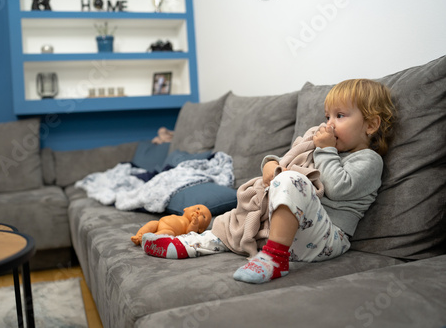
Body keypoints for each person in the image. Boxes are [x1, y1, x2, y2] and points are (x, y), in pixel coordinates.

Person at [141, 79, 396, 284]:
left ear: (371, 125)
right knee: (235, 222)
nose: (328, 124)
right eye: (327, 116)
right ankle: (188, 245)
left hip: (327, 239)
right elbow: (290, 161)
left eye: (340, 116)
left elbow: (338, 188)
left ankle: (275, 259)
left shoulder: (369, 160)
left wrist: (325, 150)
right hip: (289, 234)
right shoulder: (320, 148)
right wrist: (271, 164)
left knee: (292, 181)